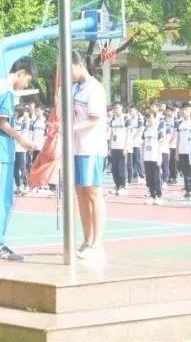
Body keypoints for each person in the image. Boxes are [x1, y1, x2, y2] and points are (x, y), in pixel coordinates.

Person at [0, 56, 37, 262]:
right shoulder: (5, 90)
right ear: (21, 73)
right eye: (27, 80)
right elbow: (3, 123)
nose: (25, 85)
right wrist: (23, 140)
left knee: (3, 198)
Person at [71, 51, 108, 260]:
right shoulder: (75, 88)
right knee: (80, 193)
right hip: (77, 148)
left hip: (91, 147)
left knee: (93, 191)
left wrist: (71, 128)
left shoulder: (94, 88)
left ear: (79, 65)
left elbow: (94, 119)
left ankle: (97, 243)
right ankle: (87, 240)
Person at [141, 107, 164, 205]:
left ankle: (159, 196)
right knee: (149, 177)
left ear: (155, 118)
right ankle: (151, 195)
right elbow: (143, 144)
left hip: (155, 157)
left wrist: (160, 157)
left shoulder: (158, 129)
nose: (149, 120)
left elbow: (161, 144)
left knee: (157, 177)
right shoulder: (146, 129)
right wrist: (142, 156)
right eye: (147, 118)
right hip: (147, 157)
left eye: (151, 118)